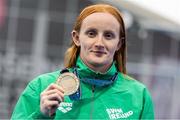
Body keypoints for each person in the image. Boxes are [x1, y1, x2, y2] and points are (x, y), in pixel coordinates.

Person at [11, 3, 154, 119]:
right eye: (91, 33)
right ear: (77, 38)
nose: (99, 42)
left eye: (108, 35)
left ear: (119, 44)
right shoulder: (42, 86)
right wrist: (41, 115)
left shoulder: (138, 95)